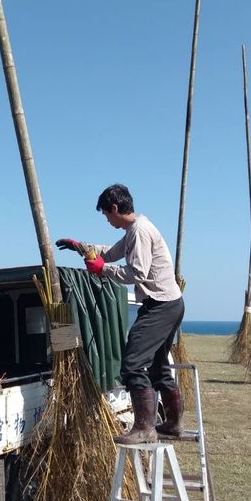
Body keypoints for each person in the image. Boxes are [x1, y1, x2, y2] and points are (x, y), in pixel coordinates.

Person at [56, 183, 184, 444]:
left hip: (160, 304)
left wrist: (102, 270)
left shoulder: (139, 231)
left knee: (133, 363)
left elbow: (137, 273)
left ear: (114, 208)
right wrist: (81, 247)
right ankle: (173, 424)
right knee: (158, 366)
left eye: (106, 214)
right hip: (170, 303)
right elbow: (110, 252)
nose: (106, 219)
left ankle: (144, 427)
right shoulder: (135, 230)